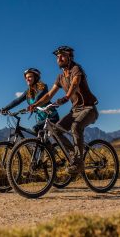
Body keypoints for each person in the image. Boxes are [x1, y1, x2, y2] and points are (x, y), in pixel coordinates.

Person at [28, 46, 99, 174]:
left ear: (69, 57)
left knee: (76, 127)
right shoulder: (60, 77)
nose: (59, 58)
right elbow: (49, 95)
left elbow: (75, 83)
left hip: (89, 108)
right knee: (55, 130)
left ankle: (78, 163)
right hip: (75, 110)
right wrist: (35, 104)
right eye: (57, 57)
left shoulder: (76, 69)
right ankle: (74, 155)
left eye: (62, 56)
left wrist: (66, 97)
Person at [0, 68, 59, 134]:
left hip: (51, 117)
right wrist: (5, 109)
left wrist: (32, 106)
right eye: (26, 77)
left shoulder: (43, 87)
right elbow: (17, 100)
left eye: (30, 77)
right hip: (41, 119)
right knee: (40, 138)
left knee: (37, 129)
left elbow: (39, 97)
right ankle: (48, 144)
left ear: (35, 78)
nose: (27, 79)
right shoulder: (28, 92)